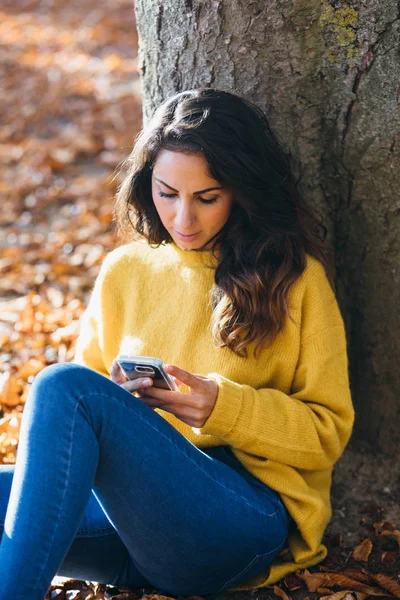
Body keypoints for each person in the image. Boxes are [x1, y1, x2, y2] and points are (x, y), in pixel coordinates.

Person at [0, 88, 355, 600]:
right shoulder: (127, 271)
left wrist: (221, 406)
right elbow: (76, 427)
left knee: (63, 386)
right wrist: (118, 401)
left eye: (206, 198)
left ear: (241, 191)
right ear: (148, 185)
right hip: (133, 535)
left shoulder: (295, 281)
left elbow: (327, 434)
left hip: (238, 521)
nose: (183, 219)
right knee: (73, 399)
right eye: (168, 193)